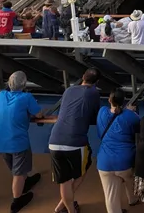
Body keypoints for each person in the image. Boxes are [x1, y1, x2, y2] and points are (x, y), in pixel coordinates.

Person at [49, 69, 101, 213]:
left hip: (54, 140)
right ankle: (64, 206)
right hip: (75, 142)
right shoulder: (94, 93)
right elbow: (94, 116)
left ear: (82, 78)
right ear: (97, 83)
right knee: (82, 170)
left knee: (64, 180)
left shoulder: (69, 90)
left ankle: (66, 208)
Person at [0, 71, 43, 213]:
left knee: (15, 168)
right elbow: (38, 114)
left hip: (1, 141)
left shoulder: (1, 95)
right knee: (19, 172)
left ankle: (25, 182)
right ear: (24, 85)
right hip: (18, 141)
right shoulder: (26, 97)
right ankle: (17, 201)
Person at [96, 89, 140, 213]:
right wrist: (130, 111)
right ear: (124, 102)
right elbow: (139, 126)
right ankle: (133, 199)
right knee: (130, 179)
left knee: (110, 196)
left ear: (109, 100)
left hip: (104, 162)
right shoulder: (130, 116)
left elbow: (100, 134)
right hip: (125, 161)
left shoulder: (102, 111)